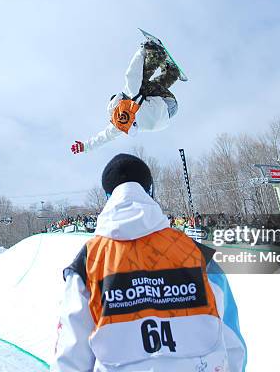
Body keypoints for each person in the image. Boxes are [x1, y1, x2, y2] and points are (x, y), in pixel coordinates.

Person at [52, 154, 246, 371]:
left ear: (108, 197)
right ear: (150, 191)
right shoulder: (196, 254)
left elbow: (70, 357)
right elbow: (233, 342)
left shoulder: (89, 261)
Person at [71, 41, 181, 154]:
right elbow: (132, 73)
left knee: (144, 94)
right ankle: (156, 54)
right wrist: (143, 49)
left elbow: (105, 136)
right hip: (165, 103)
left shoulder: (120, 123)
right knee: (142, 85)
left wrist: (86, 146)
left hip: (167, 114)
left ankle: (172, 73)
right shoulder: (128, 96)